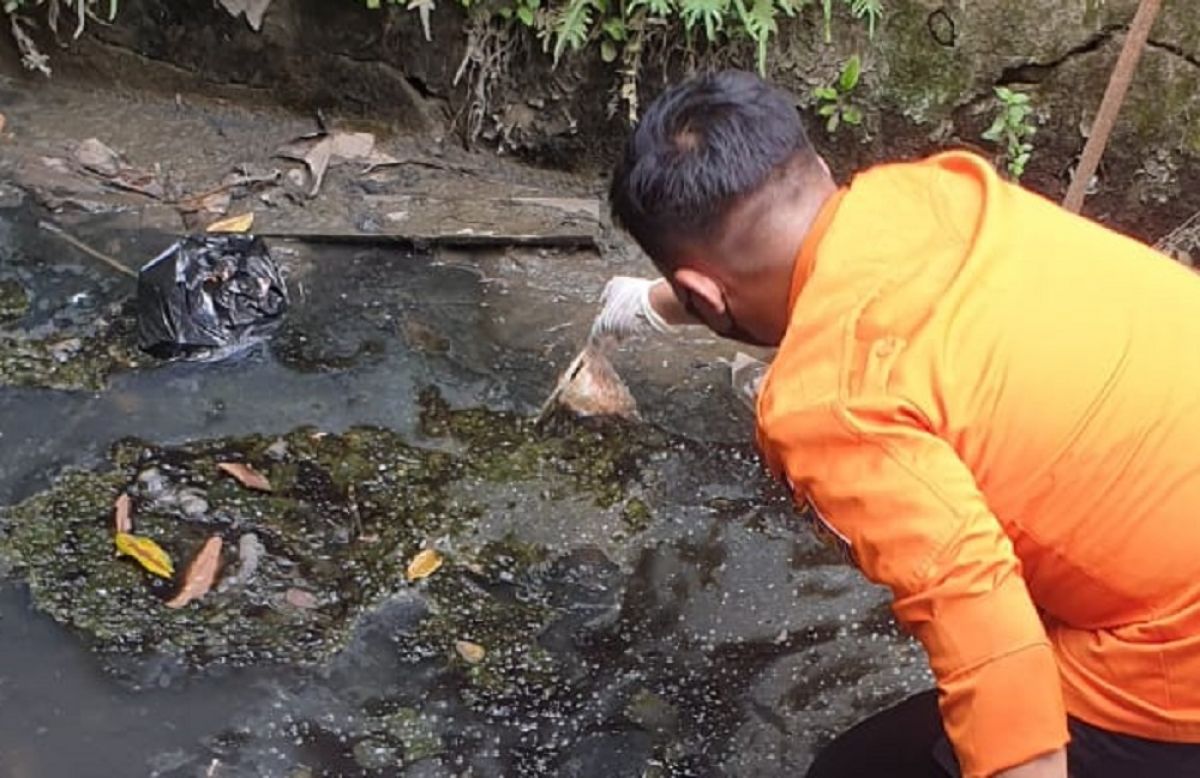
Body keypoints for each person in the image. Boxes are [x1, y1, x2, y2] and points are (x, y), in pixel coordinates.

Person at [592, 69, 1200, 778]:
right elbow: (790, 262)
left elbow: (986, 634)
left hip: (1173, 656)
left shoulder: (828, 403)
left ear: (705, 294)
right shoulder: (935, 188)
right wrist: (654, 304)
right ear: (816, 168)